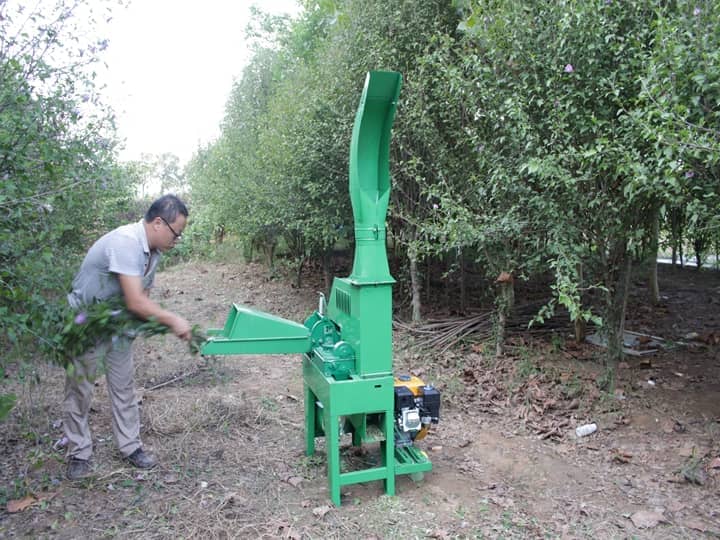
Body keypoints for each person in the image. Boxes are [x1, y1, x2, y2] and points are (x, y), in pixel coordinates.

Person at [63, 194, 192, 480]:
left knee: (124, 385)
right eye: (176, 233)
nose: (177, 240)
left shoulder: (153, 253)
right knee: (80, 388)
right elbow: (136, 301)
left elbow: (142, 296)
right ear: (158, 223)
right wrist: (172, 320)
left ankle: (130, 446)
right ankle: (78, 452)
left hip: (118, 325)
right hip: (87, 321)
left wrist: (147, 323)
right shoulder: (126, 242)